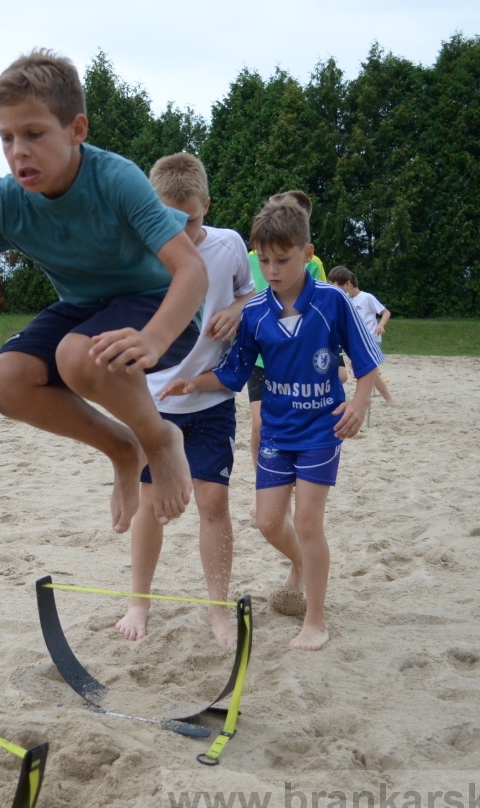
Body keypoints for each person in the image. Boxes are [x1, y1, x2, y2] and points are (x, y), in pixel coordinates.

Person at [0, 49, 207, 533]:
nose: (18, 151)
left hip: (160, 307)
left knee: (79, 355)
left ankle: (158, 440)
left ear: (77, 130)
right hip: (83, 308)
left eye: (33, 134)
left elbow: (192, 271)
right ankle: (122, 448)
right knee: (3, 380)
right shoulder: (4, 202)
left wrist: (155, 338)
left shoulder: (116, 180)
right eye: (6, 138)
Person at [160, 191, 384, 651]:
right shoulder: (256, 311)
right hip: (277, 432)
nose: (273, 270)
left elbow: (366, 360)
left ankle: (316, 619)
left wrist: (360, 403)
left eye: (282, 260)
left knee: (307, 521)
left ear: (307, 254)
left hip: (322, 429)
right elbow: (234, 372)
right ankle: (305, 566)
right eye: (264, 261)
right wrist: (192, 383)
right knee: (266, 523)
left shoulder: (332, 302)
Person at [113, 153, 256, 648]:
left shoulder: (229, 245)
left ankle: (218, 608)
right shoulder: (136, 255)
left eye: (191, 219)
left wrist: (237, 310)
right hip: (152, 403)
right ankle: (139, 603)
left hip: (211, 395)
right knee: (152, 505)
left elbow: (249, 293)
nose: (183, 230)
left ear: (206, 206)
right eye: (168, 219)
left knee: (214, 500)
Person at [245, 244, 326, 516]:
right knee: (259, 422)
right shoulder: (248, 259)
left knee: (290, 425)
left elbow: (323, 313)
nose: (271, 268)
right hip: (259, 359)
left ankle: (288, 487)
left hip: (294, 360)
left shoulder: (313, 262)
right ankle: (262, 486)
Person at [327, 266, 394, 405]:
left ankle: (386, 399)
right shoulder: (342, 299)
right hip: (346, 340)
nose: (344, 288)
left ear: (349, 284)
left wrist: (380, 325)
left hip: (367, 338)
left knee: (368, 370)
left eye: (345, 284)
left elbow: (385, 312)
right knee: (349, 373)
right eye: (341, 284)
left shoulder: (366, 297)